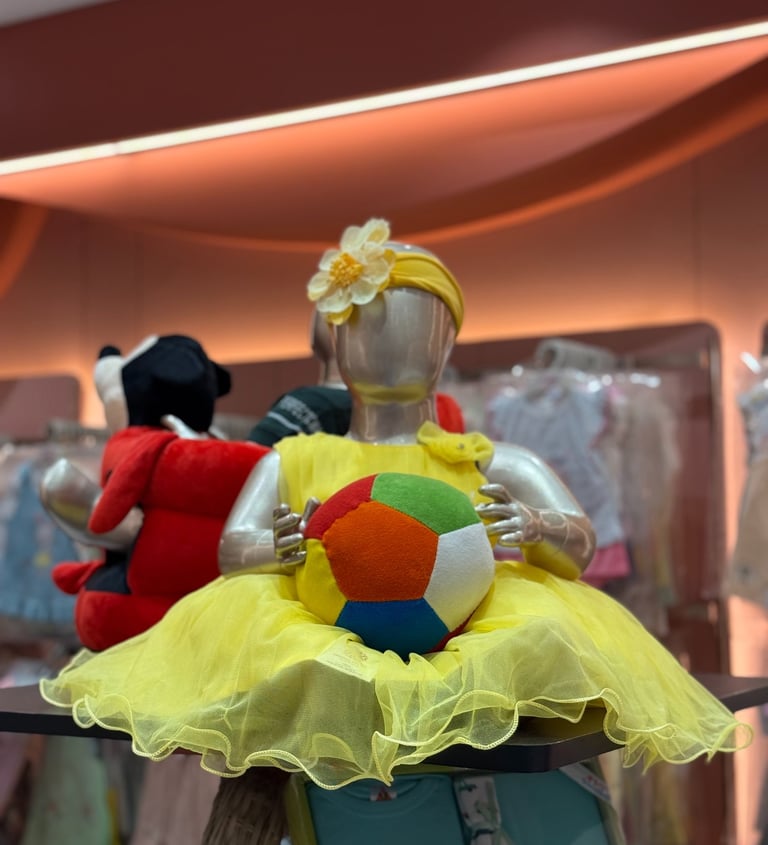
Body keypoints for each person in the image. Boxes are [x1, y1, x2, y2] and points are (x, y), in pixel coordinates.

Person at [41, 219, 750, 790]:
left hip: (471, 636)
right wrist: (273, 548)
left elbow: (580, 545)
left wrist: (536, 526)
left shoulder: (488, 459)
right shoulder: (293, 457)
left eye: (416, 324)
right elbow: (232, 550)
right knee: (289, 663)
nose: (391, 343)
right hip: (318, 636)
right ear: (337, 341)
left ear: (447, 341)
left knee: (538, 635)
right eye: (368, 324)